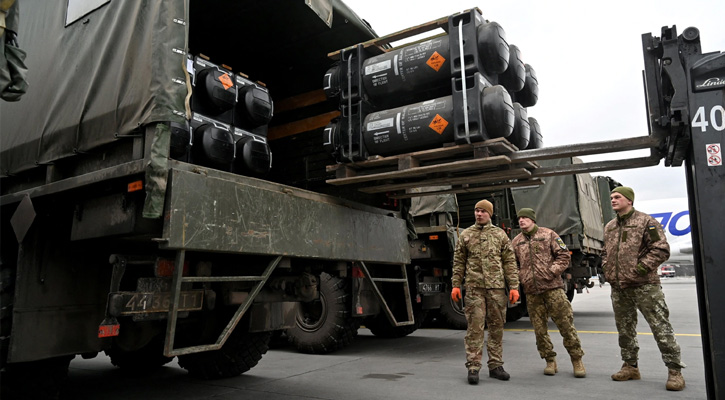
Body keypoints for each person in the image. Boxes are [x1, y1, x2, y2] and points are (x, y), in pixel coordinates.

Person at [603, 186, 686, 391]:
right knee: (625, 329)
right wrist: (607, 268)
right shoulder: (610, 226)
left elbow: (661, 249)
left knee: (660, 327)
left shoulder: (646, 221)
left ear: (629, 200)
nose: (613, 200)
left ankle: (675, 371)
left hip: (644, 285)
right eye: (611, 197)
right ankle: (630, 366)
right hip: (619, 287)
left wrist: (639, 269)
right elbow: (606, 252)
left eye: (617, 197)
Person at [511, 208, 586, 378]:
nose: (521, 220)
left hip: (553, 289)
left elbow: (564, 255)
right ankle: (549, 360)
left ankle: (577, 360)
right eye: (519, 218)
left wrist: (552, 271)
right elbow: (512, 264)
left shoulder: (549, 235)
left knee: (565, 324)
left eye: (525, 218)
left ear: (533, 220)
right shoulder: (516, 242)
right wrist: (520, 277)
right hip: (531, 292)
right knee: (539, 330)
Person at [451, 199, 519, 385]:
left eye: (483, 211)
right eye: (476, 211)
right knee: (475, 328)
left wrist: (514, 287)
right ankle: (473, 366)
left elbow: (509, 262)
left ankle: (496, 365)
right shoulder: (466, 235)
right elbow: (458, 262)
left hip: (496, 289)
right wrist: (456, 284)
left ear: (490, 213)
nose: (479, 214)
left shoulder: (500, 235)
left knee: (496, 327)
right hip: (474, 289)